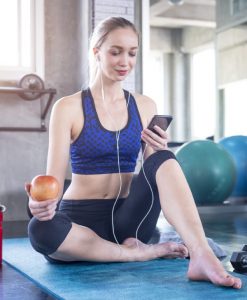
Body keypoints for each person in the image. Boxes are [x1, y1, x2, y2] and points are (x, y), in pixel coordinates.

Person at [26, 16, 241, 289]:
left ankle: (201, 254)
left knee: (163, 156)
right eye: (115, 52)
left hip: (132, 220)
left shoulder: (144, 105)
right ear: (97, 52)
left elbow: (156, 172)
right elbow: (51, 183)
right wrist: (40, 206)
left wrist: (159, 148)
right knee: (40, 229)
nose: (124, 62)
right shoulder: (68, 108)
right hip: (80, 223)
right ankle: (137, 252)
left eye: (132, 53)